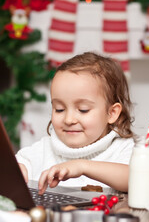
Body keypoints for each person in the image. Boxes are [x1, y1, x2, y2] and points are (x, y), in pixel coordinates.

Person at [16, 52, 134, 194]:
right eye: (59, 109)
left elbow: (137, 179)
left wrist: (82, 166)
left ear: (112, 113)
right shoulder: (43, 149)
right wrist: (16, 171)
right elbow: (15, 167)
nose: (68, 120)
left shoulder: (123, 148)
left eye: (83, 110)